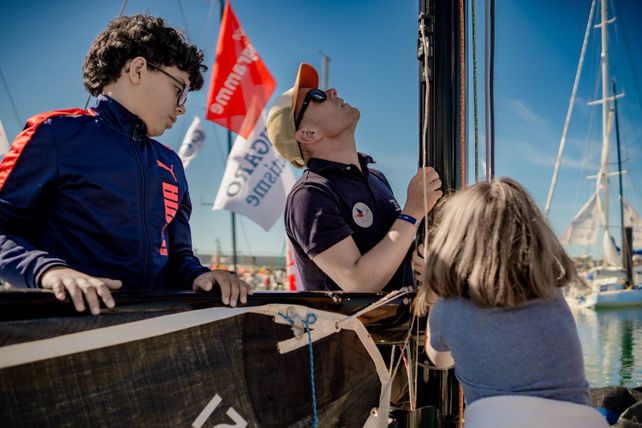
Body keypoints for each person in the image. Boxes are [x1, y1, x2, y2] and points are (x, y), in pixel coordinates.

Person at [0, 15, 251, 315]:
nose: (183, 107)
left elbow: (178, 257)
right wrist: (48, 271)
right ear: (138, 69)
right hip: (66, 330)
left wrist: (199, 275)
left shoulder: (170, 164)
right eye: (179, 90)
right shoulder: (56, 134)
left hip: (152, 334)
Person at [266, 63, 442, 292]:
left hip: (402, 325)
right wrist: (412, 213)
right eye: (317, 96)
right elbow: (358, 283)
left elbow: (391, 255)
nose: (332, 92)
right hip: (355, 329)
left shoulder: (375, 177)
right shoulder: (309, 194)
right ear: (308, 134)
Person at [417, 178, 591, 407]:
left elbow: (440, 360)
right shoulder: (552, 296)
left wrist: (435, 289)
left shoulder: (448, 309)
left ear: (452, 242)